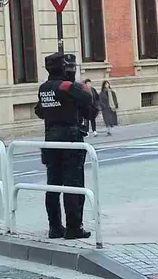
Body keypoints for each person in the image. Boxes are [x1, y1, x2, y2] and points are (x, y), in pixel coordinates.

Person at [34, 52, 98, 240]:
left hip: (50, 138)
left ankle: (54, 227)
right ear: (63, 67)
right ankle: (73, 227)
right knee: (73, 184)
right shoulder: (67, 86)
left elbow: (39, 111)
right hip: (70, 138)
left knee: (53, 185)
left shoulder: (44, 88)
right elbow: (89, 104)